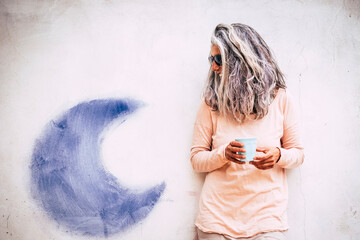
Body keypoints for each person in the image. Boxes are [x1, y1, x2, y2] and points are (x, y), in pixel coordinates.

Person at [190, 23, 304, 240]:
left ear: (240, 60)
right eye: (211, 59)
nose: (213, 67)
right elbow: (196, 159)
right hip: (216, 219)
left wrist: (278, 156)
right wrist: (222, 154)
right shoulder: (211, 103)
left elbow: (298, 153)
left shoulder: (281, 99)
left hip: (266, 218)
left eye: (219, 59)